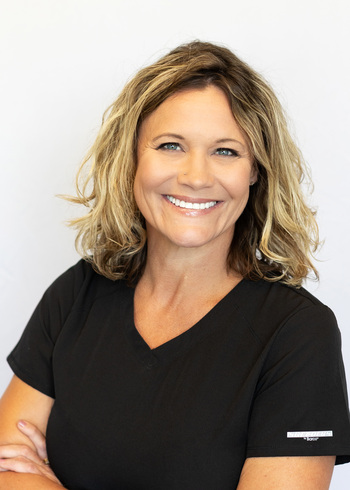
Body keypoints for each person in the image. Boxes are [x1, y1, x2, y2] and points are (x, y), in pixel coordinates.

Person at [0, 40, 349, 490]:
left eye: (226, 151)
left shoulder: (298, 334)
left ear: (256, 171)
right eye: (170, 145)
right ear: (132, 159)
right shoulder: (77, 294)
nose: (196, 177)